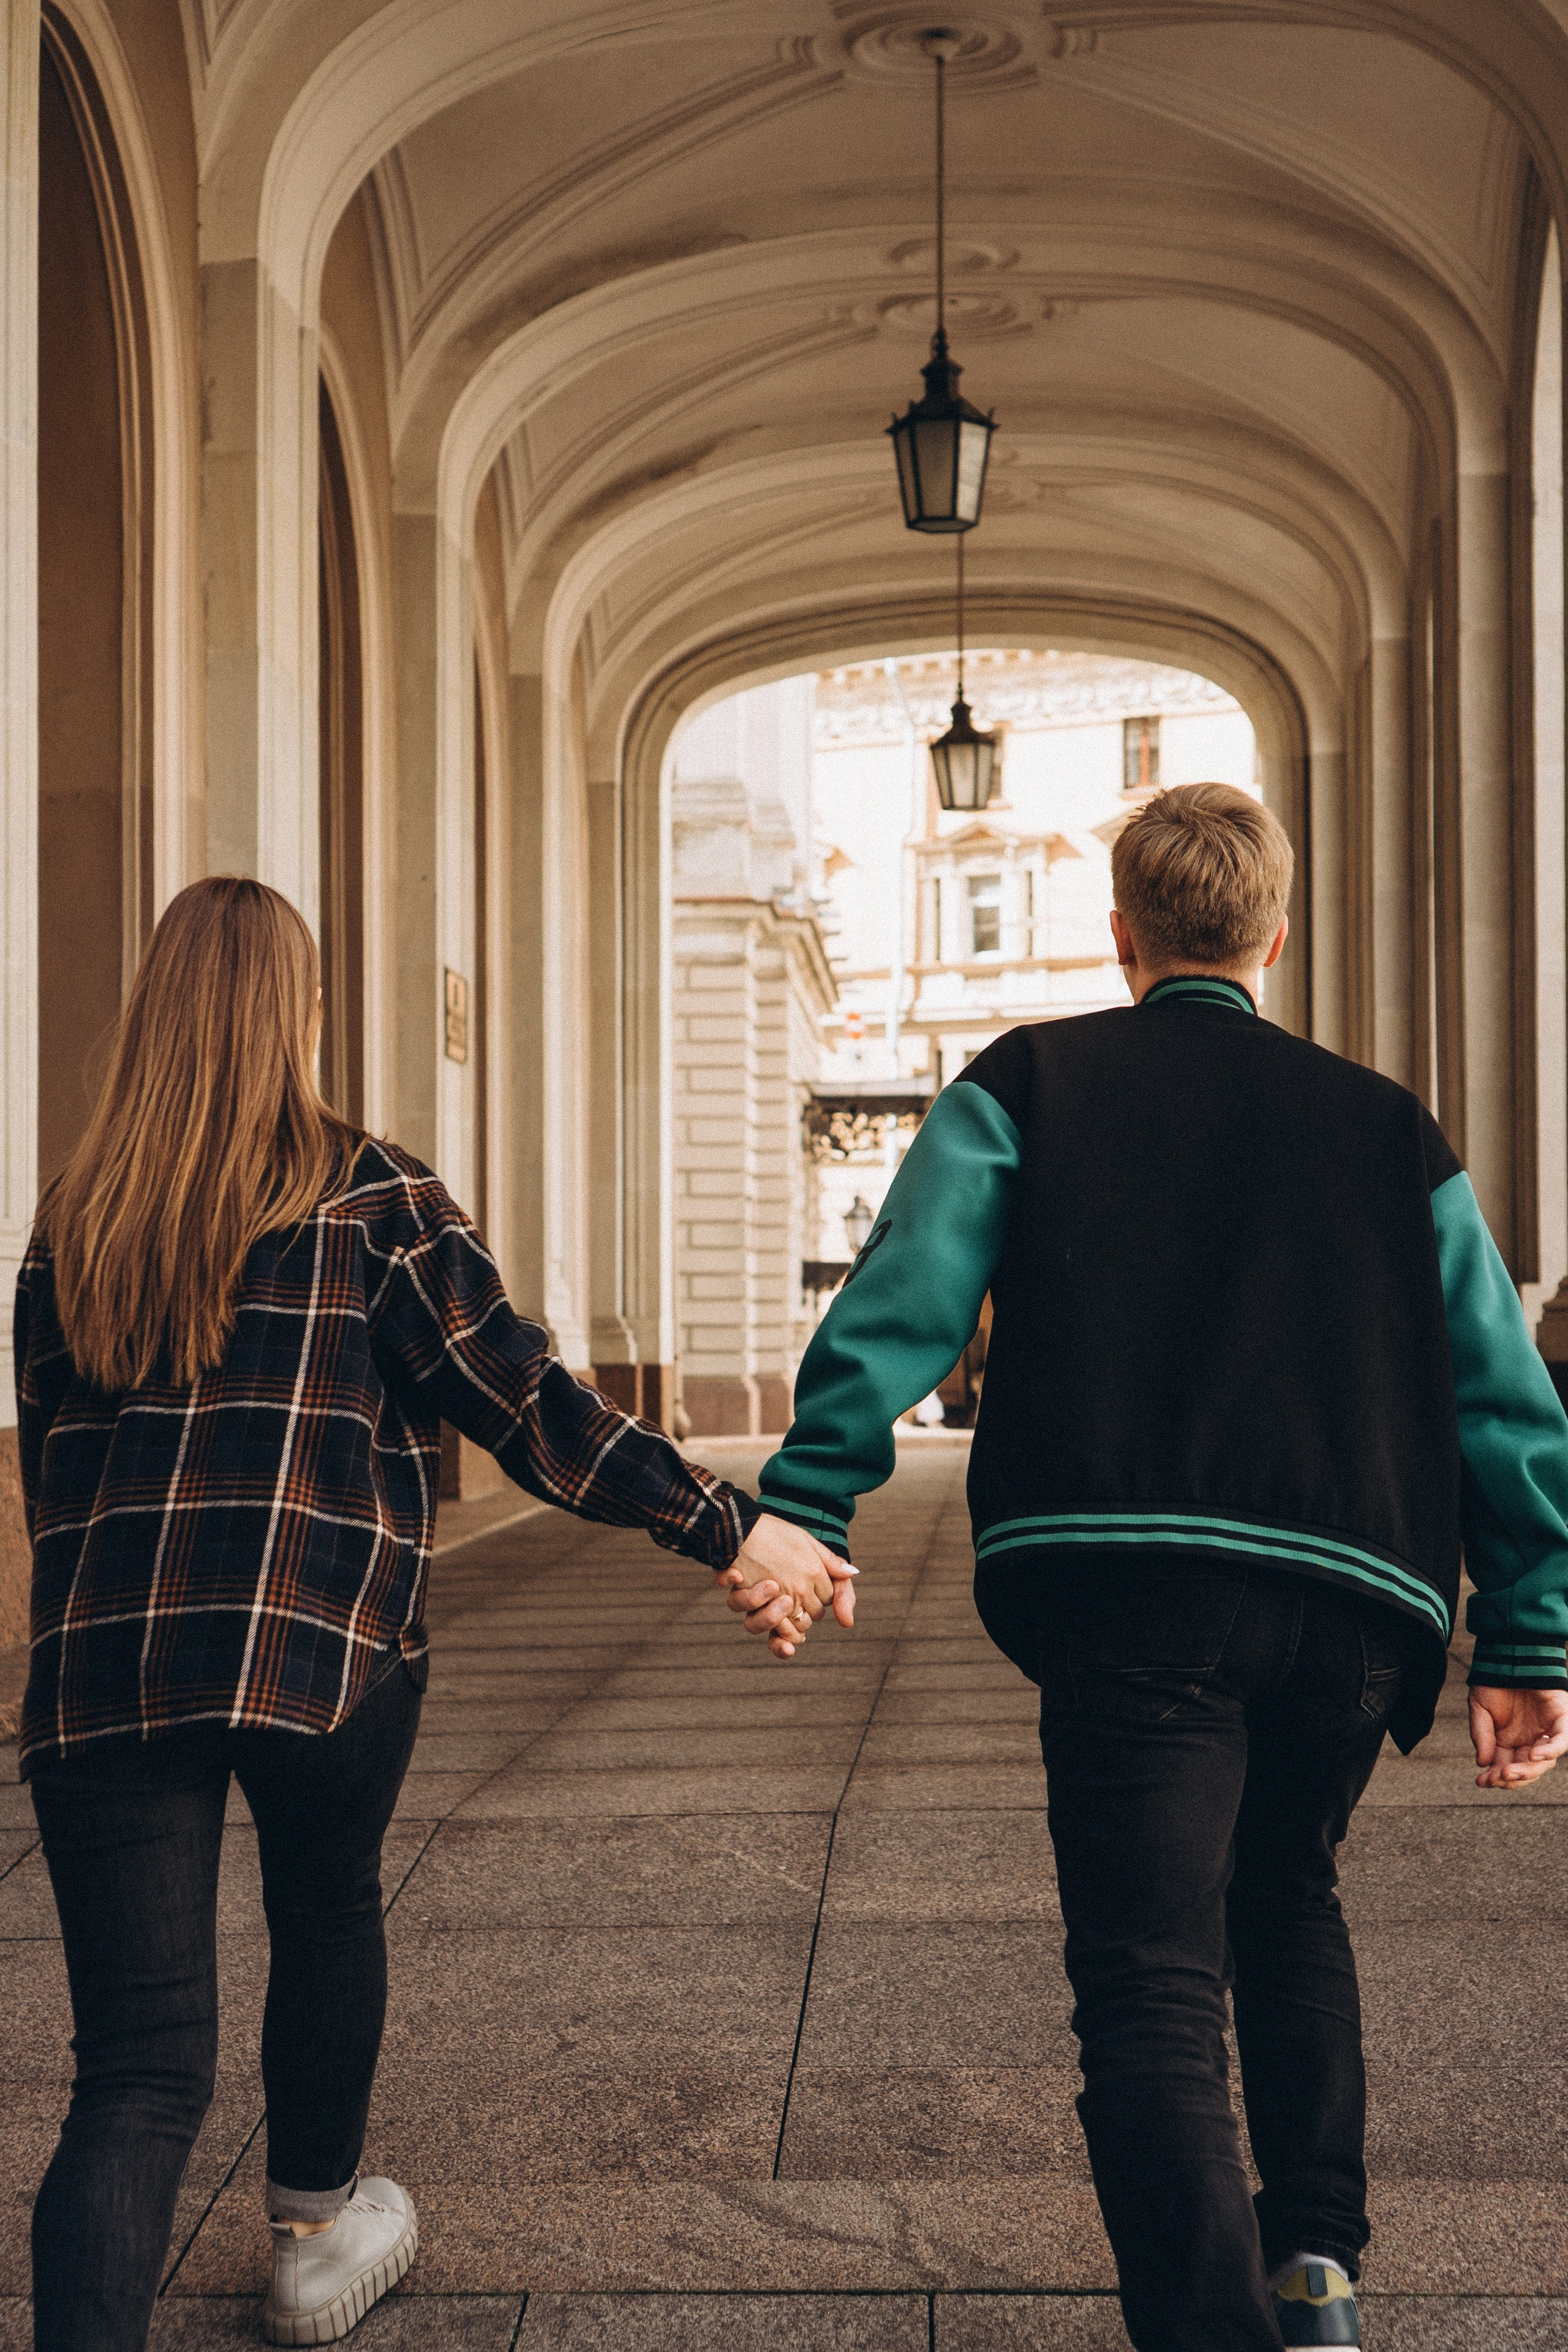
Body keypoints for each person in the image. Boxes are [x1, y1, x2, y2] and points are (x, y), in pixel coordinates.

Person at [754, 782, 1568, 2352]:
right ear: (1276, 935)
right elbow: (1499, 1393)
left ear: (1117, 933)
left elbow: (904, 1298)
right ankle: (1312, 2270)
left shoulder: (1030, 1082)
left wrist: (812, 1501)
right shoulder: (1388, 1127)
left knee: (1147, 1986)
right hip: (1350, 1593)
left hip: (1124, 1580)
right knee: (1288, 1897)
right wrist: (1531, 1633)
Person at [15, 875, 851, 2352]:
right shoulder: (373, 1198)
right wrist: (740, 1532)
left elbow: (51, 1461)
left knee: (136, 2072)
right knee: (324, 1901)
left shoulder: (72, 1224)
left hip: (108, 1669)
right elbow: (533, 1411)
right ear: (303, 1017)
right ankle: (313, 2225)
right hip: (321, 1648)